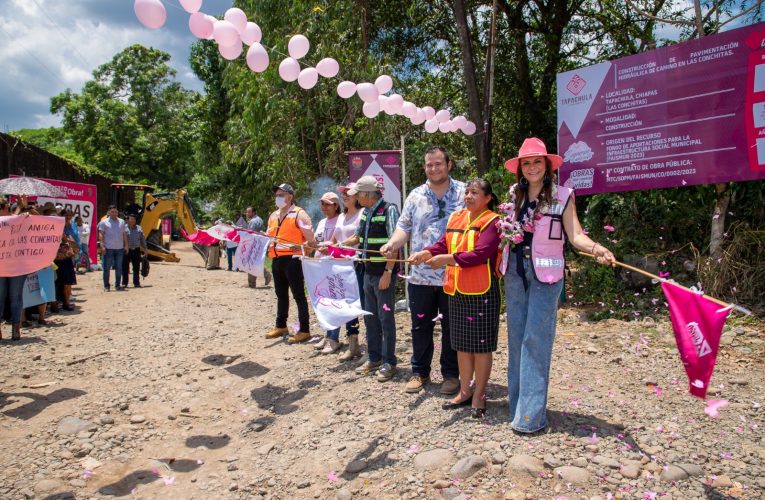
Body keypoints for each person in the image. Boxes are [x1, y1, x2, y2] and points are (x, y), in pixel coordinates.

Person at [501, 137, 616, 433]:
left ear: (547, 165)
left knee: (536, 340)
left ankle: (531, 417)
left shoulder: (563, 196)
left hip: (547, 274)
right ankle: (518, 408)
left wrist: (597, 249)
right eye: (526, 163)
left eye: (537, 161)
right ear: (520, 169)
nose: (532, 167)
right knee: (516, 339)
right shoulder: (514, 196)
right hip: (515, 271)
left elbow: (575, 235)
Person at [410, 179, 501, 418]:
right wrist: (427, 252)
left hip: (483, 292)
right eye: (467, 192)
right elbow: (443, 243)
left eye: (475, 192)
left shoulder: (493, 221)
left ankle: (479, 395)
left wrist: (445, 260)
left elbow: (480, 254)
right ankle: (464, 390)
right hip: (457, 290)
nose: (468, 196)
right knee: (461, 344)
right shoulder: (456, 217)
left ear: (488, 198)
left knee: (481, 347)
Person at [381, 146, 464, 395]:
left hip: (454, 273)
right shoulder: (415, 195)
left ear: (449, 164)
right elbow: (403, 228)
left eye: (438, 164)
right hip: (420, 276)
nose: (434, 168)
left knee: (453, 326)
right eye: (429, 165)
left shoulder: (464, 192)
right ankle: (420, 372)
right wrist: (392, 243)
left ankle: (451, 375)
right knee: (420, 326)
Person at [339, 176, 400, 382]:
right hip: (367, 272)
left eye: (357, 195)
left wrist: (388, 272)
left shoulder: (389, 210)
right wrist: (337, 245)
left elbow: (394, 244)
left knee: (386, 319)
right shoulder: (365, 212)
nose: (355, 198)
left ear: (366, 195)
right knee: (370, 317)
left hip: (383, 275)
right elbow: (356, 237)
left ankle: (389, 362)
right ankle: (374, 358)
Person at [317, 183, 365, 359]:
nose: (344, 196)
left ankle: (354, 344)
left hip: (354, 265)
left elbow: (358, 237)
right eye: (343, 194)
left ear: (357, 196)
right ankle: (342, 340)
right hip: (338, 265)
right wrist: (323, 246)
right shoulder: (342, 216)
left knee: (352, 303)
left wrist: (340, 245)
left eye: (348, 193)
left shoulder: (362, 214)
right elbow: (333, 239)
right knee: (340, 301)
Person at [264, 183, 316, 343]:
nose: (278, 197)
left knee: (299, 295)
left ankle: (304, 330)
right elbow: (268, 236)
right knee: (280, 295)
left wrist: (301, 248)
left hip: (293, 260)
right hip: (276, 259)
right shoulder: (273, 215)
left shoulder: (299, 214)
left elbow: (312, 241)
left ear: (290, 196)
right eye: (277, 195)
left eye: (281, 194)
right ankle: (281, 326)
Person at [312, 192, 343, 354]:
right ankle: (327, 335)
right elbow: (317, 242)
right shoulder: (322, 222)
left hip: (334, 266)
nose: (324, 207)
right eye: (322, 204)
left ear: (336, 205)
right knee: (324, 302)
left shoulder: (341, 220)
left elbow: (335, 243)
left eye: (327, 204)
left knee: (334, 302)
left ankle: (334, 338)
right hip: (320, 266)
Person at [98, 205, 128, 291]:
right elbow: (101, 234)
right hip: (108, 248)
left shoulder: (122, 222)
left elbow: (124, 234)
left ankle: (117, 285)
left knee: (119, 268)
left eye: (116, 212)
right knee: (106, 268)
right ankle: (106, 286)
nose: (114, 213)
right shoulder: (104, 222)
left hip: (119, 249)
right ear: (109, 212)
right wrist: (102, 245)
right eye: (112, 212)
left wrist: (126, 245)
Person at [245, 206, 271, 287]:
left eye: (248, 212)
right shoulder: (259, 219)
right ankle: (252, 282)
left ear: (253, 212)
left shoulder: (253, 221)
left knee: (251, 263)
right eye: (246, 212)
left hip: (254, 244)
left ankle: (263, 276)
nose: (247, 214)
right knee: (254, 262)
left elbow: (251, 233)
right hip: (260, 244)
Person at [54, 230, 78, 311]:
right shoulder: (51, 237)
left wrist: (69, 241)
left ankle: (66, 303)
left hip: (67, 263)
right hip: (55, 263)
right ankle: (55, 304)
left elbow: (76, 251)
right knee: (55, 284)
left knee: (67, 284)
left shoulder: (68, 237)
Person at [122, 215, 147, 288]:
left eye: (134, 219)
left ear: (136, 220)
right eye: (131, 219)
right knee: (125, 267)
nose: (132, 220)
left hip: (136, 250)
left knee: (136, 267)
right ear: (128, 220)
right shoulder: (124, 228)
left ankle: (136, 283)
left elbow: (142, 239)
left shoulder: (139, 228)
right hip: (126, 250)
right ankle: (124, 283)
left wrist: (145, 249)